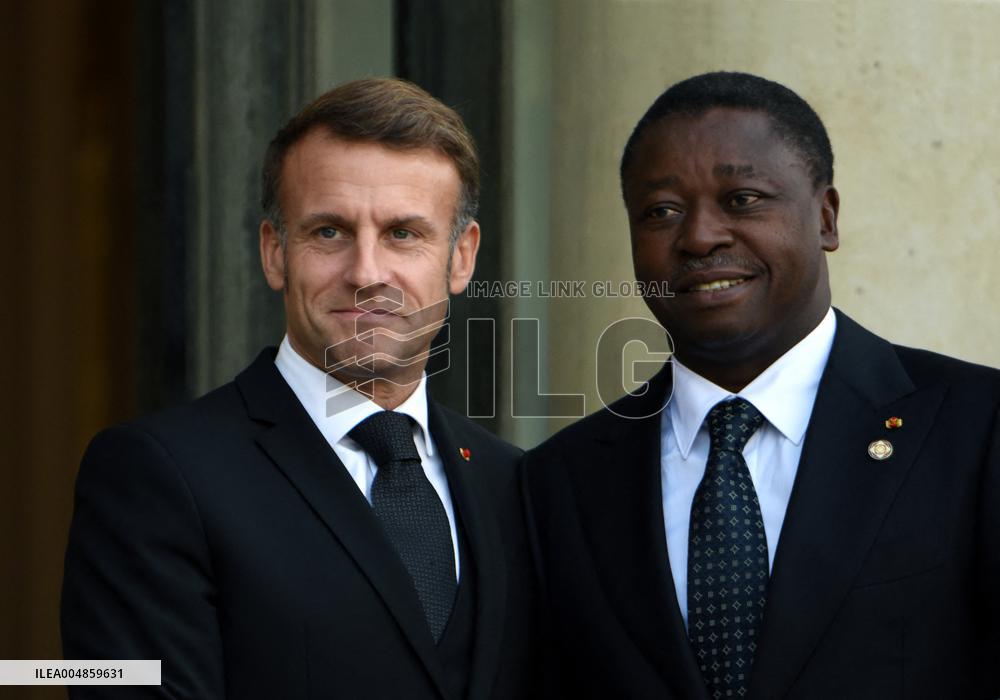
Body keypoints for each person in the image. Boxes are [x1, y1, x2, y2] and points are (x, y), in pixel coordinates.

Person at [522, 72, 1000, 699]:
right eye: (662, 211)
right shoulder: (559, 482)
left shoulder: (977, 427)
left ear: (825, 218)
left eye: (742, 199)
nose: (700, 236)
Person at [62, 78, 538, 699]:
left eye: (403, 233)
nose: (366, 272)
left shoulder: (516, 486)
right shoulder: (155, 475)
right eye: (329, 232)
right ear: (274, 252)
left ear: (461, 258)